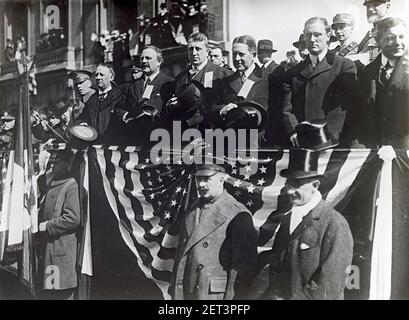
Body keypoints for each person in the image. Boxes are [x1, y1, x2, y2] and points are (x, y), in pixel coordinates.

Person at [258, 148, 353, 300]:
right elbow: (277, 268)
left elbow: (331, 282)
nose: (290, 191)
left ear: (315, 185)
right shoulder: (287, 219)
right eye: (288, 184)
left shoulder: (334, 223)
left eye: (296, 185)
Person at [172, 164, 258, 300]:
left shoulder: (237, 212)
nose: (201, 184)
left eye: (207, 179)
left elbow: (242, 268)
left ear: (221, 179)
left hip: (213, 295)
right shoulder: (191, 209)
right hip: (188, 290)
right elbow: (181, 255)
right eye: (198, 179)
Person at [280, 17, 357, 147]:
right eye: (308, 35)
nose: (312, 39)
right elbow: (286, 108)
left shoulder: (344, 66)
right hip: (302, 141)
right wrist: (293, 130)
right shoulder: (292, 72)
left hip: (334, 141)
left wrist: (334, 135)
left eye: (317, 34)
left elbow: (350, 107)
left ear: (327, 36)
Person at [344, 17, 409, 149]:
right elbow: (357, 113)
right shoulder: (365, 73)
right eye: (391, 38)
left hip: (404, 152)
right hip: (373, 150)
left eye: (402, 37)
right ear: (378, 40)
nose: (398, 43)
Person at [36, 149, 81, 300]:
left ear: (68, 163)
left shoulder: (71, 185)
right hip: (48, 248)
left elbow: (73, 218)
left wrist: (47, 226)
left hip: (60, 249)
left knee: (61, 292)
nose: (53, 166)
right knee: (50, 291)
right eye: (51, 162)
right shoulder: (52, 182)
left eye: (57, 162)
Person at [163, 32, 232, 130]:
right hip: (185, 133)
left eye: (198, 49)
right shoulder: (180, 78)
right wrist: (170, 106)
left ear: (207, 51)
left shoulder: (223, 75)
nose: (194, 53)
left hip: (211, 132)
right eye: (191, 49)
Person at [209, 35, 269, 145]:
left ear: (254, 55)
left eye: (241, 54)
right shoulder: (225, 81)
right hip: (230, 143)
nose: (236, 59)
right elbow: (212, 107)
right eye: (234, 54)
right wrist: (222, 110)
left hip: (258, 144)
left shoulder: (268, 79)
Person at [117, 46, 174, 147]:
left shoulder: (169, 83)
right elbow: (118, 108)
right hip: (134, 141)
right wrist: (126, 115)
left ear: (159, 62)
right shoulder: (132, 85)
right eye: (142, 58)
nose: (143, 61)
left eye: (148, 58)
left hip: (158, 141)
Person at [75, 63, 127, 146]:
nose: (98, 78)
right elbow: (83, 117)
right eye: (96, 75)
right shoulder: (92, 99)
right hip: (95, 146)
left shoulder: (121, 96)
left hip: (114, 146)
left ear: (112, 77)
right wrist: (83, 123)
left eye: (101, 75)